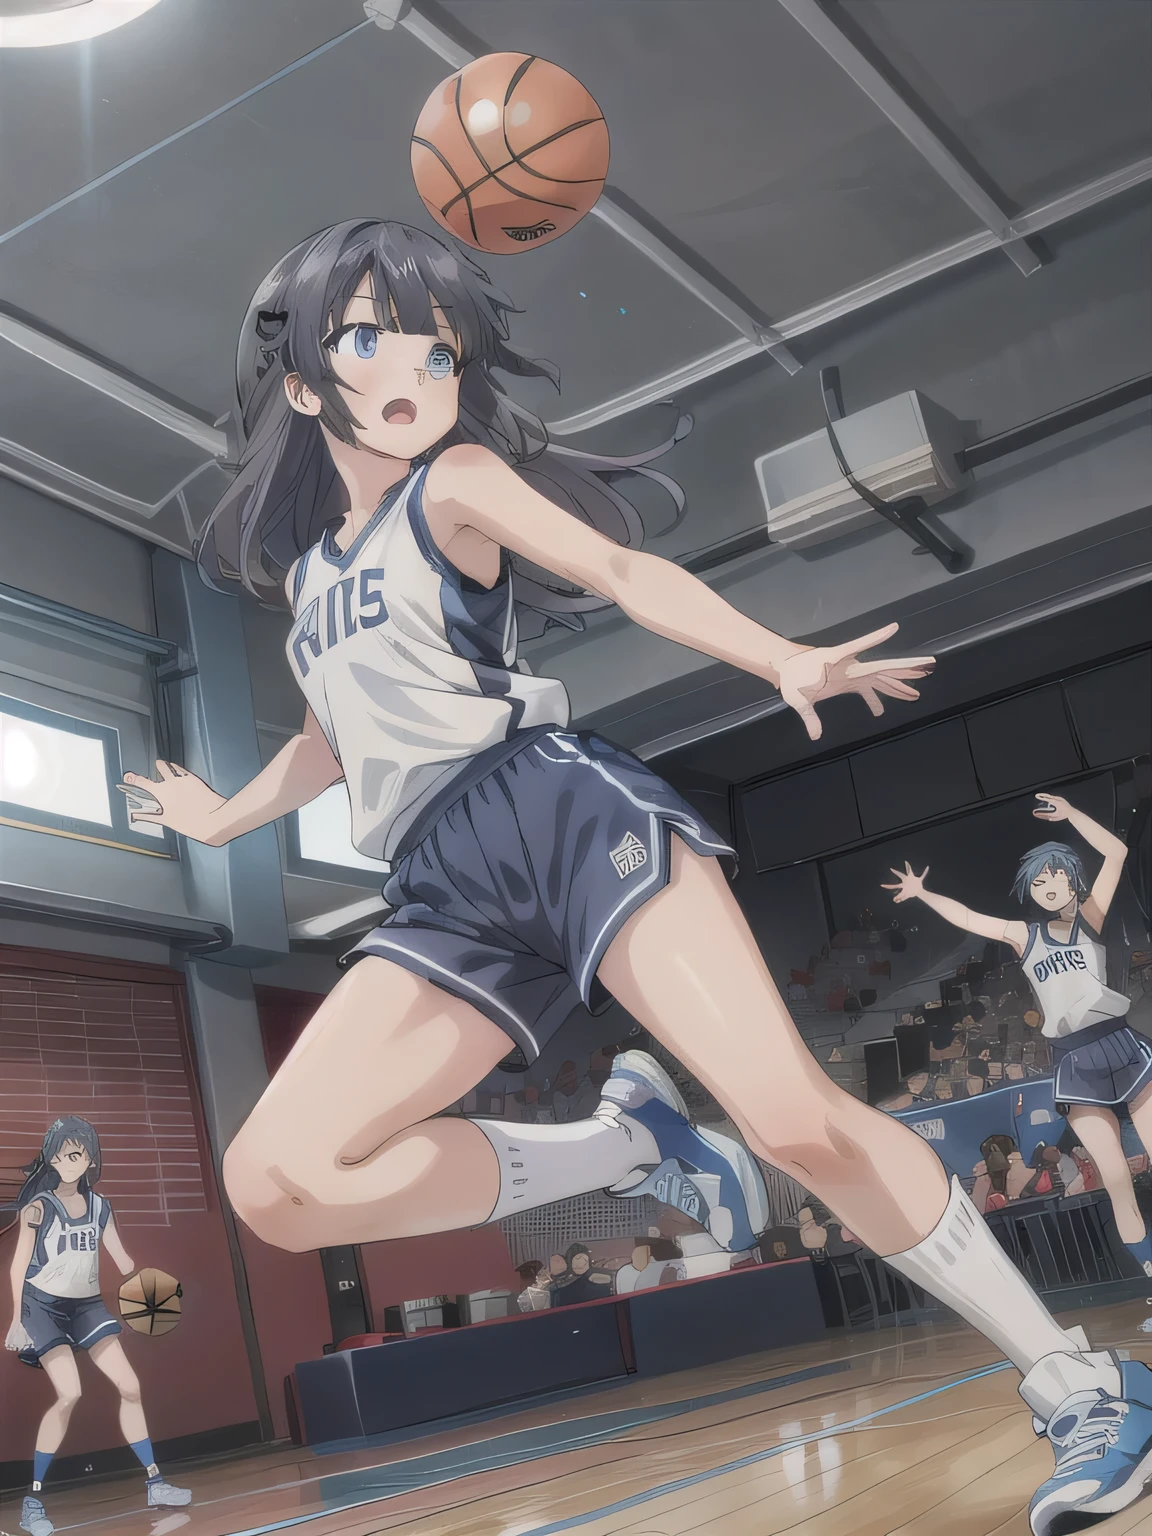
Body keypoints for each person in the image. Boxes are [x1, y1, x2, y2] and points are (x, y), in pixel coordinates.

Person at [121, 219, 1148, 1536]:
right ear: (308, 381)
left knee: (791, 1122)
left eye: (435, 347)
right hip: (441, 883)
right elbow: (328, 743)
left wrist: (771, 652)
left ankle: (1081, 1385)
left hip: (551, 807)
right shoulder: (314, 578)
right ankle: (628, 1146)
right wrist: (222, 821)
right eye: (370, 336)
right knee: (278, 1183)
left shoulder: (457, 485)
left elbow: (615, 566)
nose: (411, 367)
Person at [885, 794, 1152, 1270]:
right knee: (1115, 1180)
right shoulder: (1025, 935)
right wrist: (925, 895)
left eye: (1057, 876)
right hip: (1075, 1060)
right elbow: (969, 918)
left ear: (1074, 881)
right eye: (1041, 881)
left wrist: (1072, 815)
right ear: (1031, 891)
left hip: (1119, 1043)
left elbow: (1117, 853)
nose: (1049, 885)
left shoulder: (1089, 918)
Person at [3, 1119, 191, 1536]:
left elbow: (122, 1259)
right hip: (42, 1305)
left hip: (86, 1304)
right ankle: (32, 1502)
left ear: (89, 1158)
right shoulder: (39, 1207)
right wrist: (16, 1319)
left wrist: (157, 1289)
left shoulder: (102, 1206)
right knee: (70, 1392)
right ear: (51, 1159)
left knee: (130, 1386)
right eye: (60, 1154)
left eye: (77, 1153)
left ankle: (155, 1483)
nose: (68, 1161)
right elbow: (19, 1265)